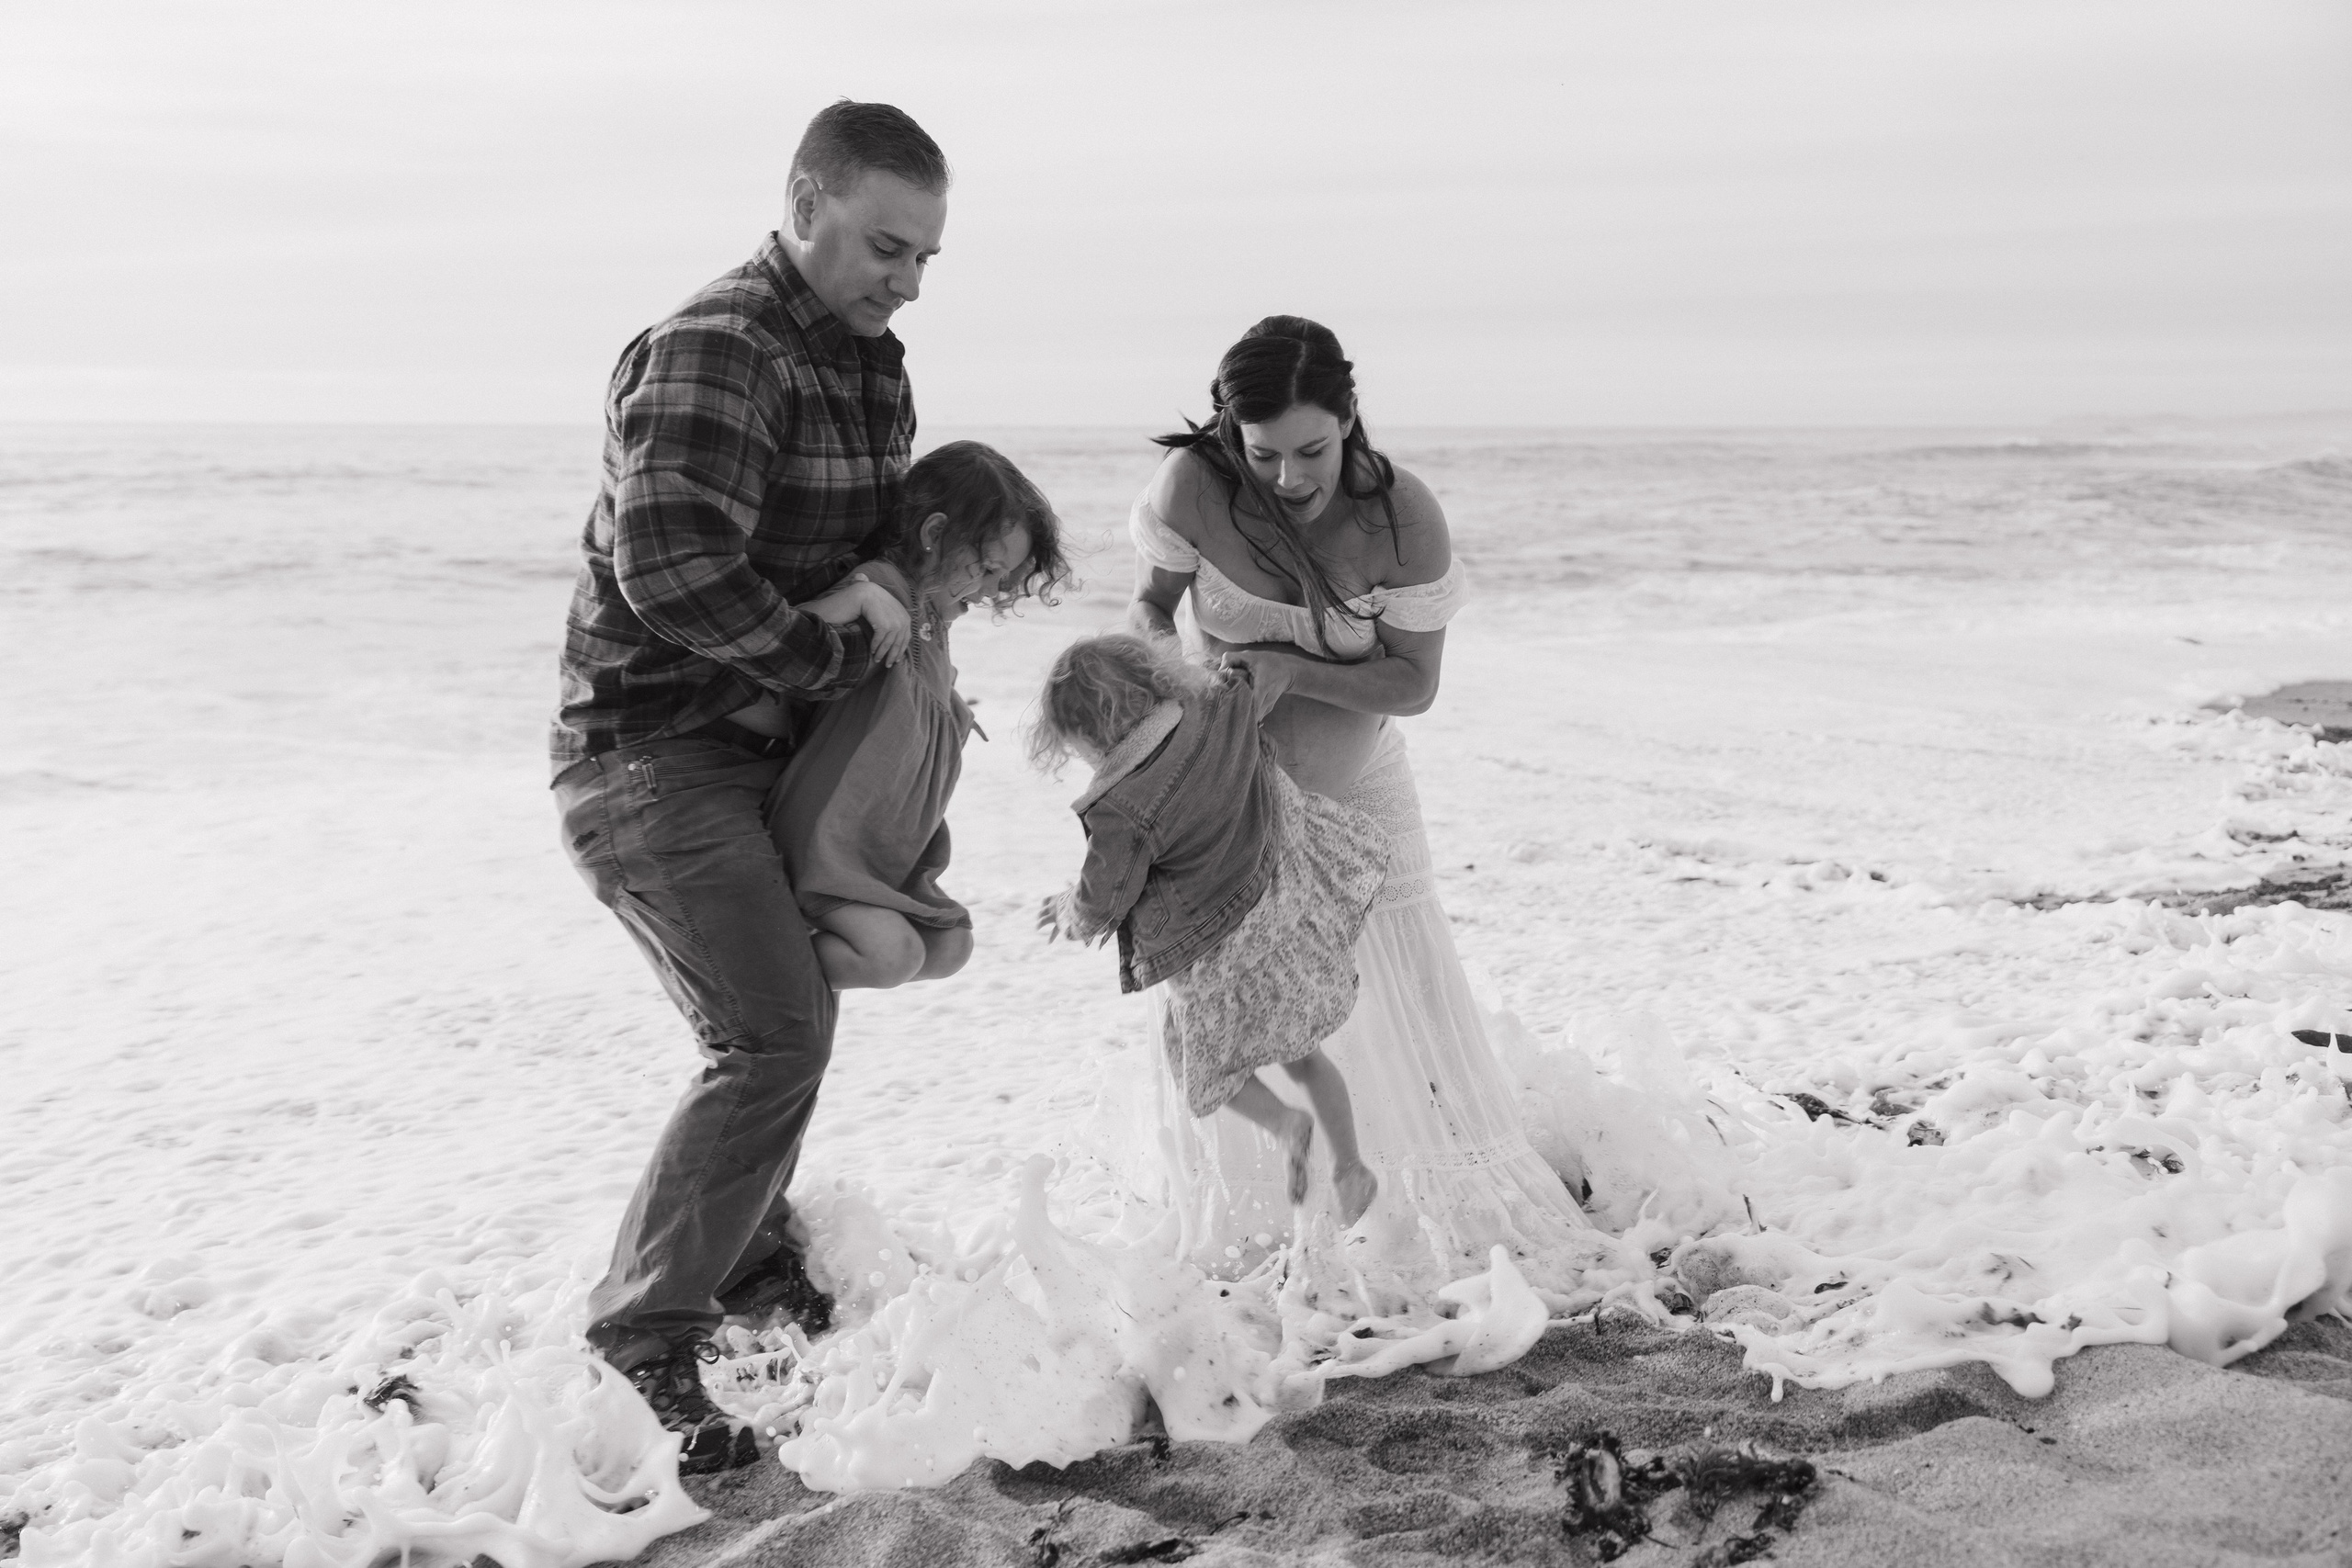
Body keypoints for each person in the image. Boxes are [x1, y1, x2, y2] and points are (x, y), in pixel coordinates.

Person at [548, 100, 970, 1473]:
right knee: (772, 1034)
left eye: (923, 257)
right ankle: (642, 1331)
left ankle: (738, 1263)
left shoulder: (872, 366)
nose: (905, 280)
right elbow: (668, 572)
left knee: (796, 1013)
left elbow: (875, 559)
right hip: (649, 752)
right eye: (882, 245)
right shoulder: (716, 348)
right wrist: (829, 641)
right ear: (804, 203)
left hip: (765, 750)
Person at [1119, 315, 1609, 1319]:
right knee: (1226, 1003)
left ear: (1349, 419)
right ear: (1227, 433)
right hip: (1229, 790)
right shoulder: (1193, 492)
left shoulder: (1401, 521)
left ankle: (1415, 1223)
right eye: (1263, 455)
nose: (1290, 476)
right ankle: (1260, 1230)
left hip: (1359, 785)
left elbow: (1413, 685)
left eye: (1312, 449)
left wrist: (1292, 668)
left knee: (1389, 991)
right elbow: (1148, 611)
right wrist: (1167, 687)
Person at [1033, 633, 1386, 1225]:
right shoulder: (1216, 707)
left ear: (1093, 737)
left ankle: (1284, 1123)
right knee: (1306, 1055)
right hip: (1278, 903)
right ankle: (1351, 1164)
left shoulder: (1118, 808)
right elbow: (1245, 682)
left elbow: (1104, 899)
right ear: (1151, 682)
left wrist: (1067, 910)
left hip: (1217, 947)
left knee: (1206, 1065)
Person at [772, 441, 1069, 990]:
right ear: (933, 535)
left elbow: (914, 689)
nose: (991, 590)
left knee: (951, 946)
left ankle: (796, 971)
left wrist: (951, 707)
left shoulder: (934, 614)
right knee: (892, 956)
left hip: (884, 843)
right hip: (829, 836)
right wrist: (856, 599)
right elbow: (782, 636)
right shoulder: (885, 588)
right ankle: (759, 977)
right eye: (986, 568)